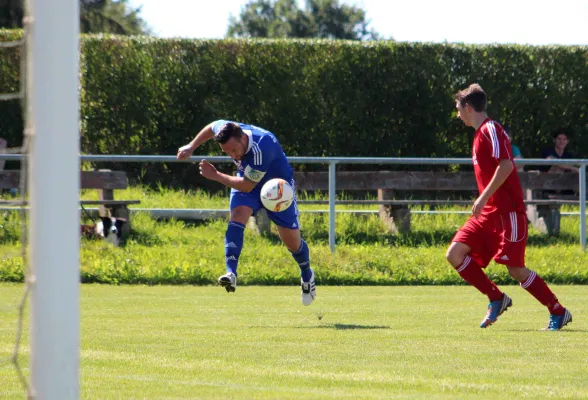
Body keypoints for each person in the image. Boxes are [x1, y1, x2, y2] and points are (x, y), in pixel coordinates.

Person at [446, 83, 572, 330]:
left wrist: (482, 198)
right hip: (488, 214)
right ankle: (496, 297)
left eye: (459, 109)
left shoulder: (491, 129)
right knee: (454, 254)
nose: (458, 115)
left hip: (508, 213)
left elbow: (506, 165)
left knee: (515, 269)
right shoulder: (479, 133)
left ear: (468, 107)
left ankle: (558, 311)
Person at [177, 120, 316, 306]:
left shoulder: (262, 146)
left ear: (243, 138)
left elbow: (245, 185)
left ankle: (307, 274)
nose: (233, 155)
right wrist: (191, 146)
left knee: (292, 243)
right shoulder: (228, 130)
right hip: (248, 181)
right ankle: (231, 273)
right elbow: (213, 126)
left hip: (277, 190)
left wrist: (216, 175)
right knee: (237, 216)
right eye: (227, 152)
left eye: (234, 150)